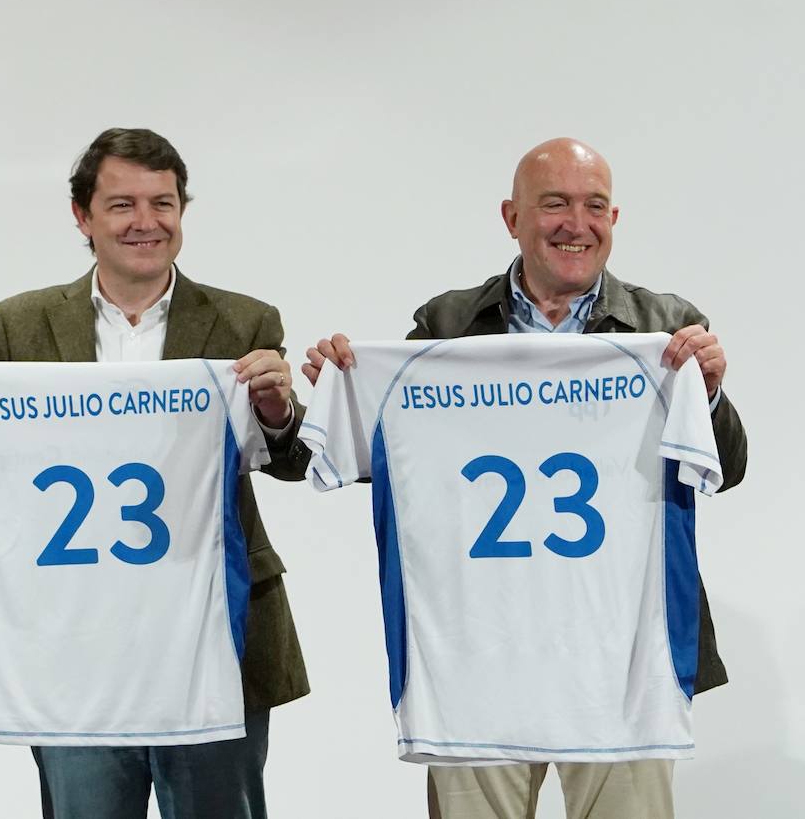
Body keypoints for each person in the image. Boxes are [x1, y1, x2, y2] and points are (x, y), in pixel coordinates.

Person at [304, 137, 748, 819]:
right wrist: (349, 391)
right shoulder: (446, 325)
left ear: (614, 218)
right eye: (555, 204)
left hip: (623, 655)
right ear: (512, 218)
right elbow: (401, 467)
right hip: (478, 649)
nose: (577, 223)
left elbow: (729, 468)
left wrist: (709, 393)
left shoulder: (667, 328)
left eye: (594, 205)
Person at [0, 127, 311, 819]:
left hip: (211, 631)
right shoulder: (21, 324)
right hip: (74, 639)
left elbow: (293, 462)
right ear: (82, 216)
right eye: (122, 205)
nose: (146, 222)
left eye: (164, 203)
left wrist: (278, 411)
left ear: (183, 212)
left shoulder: (244, 320)